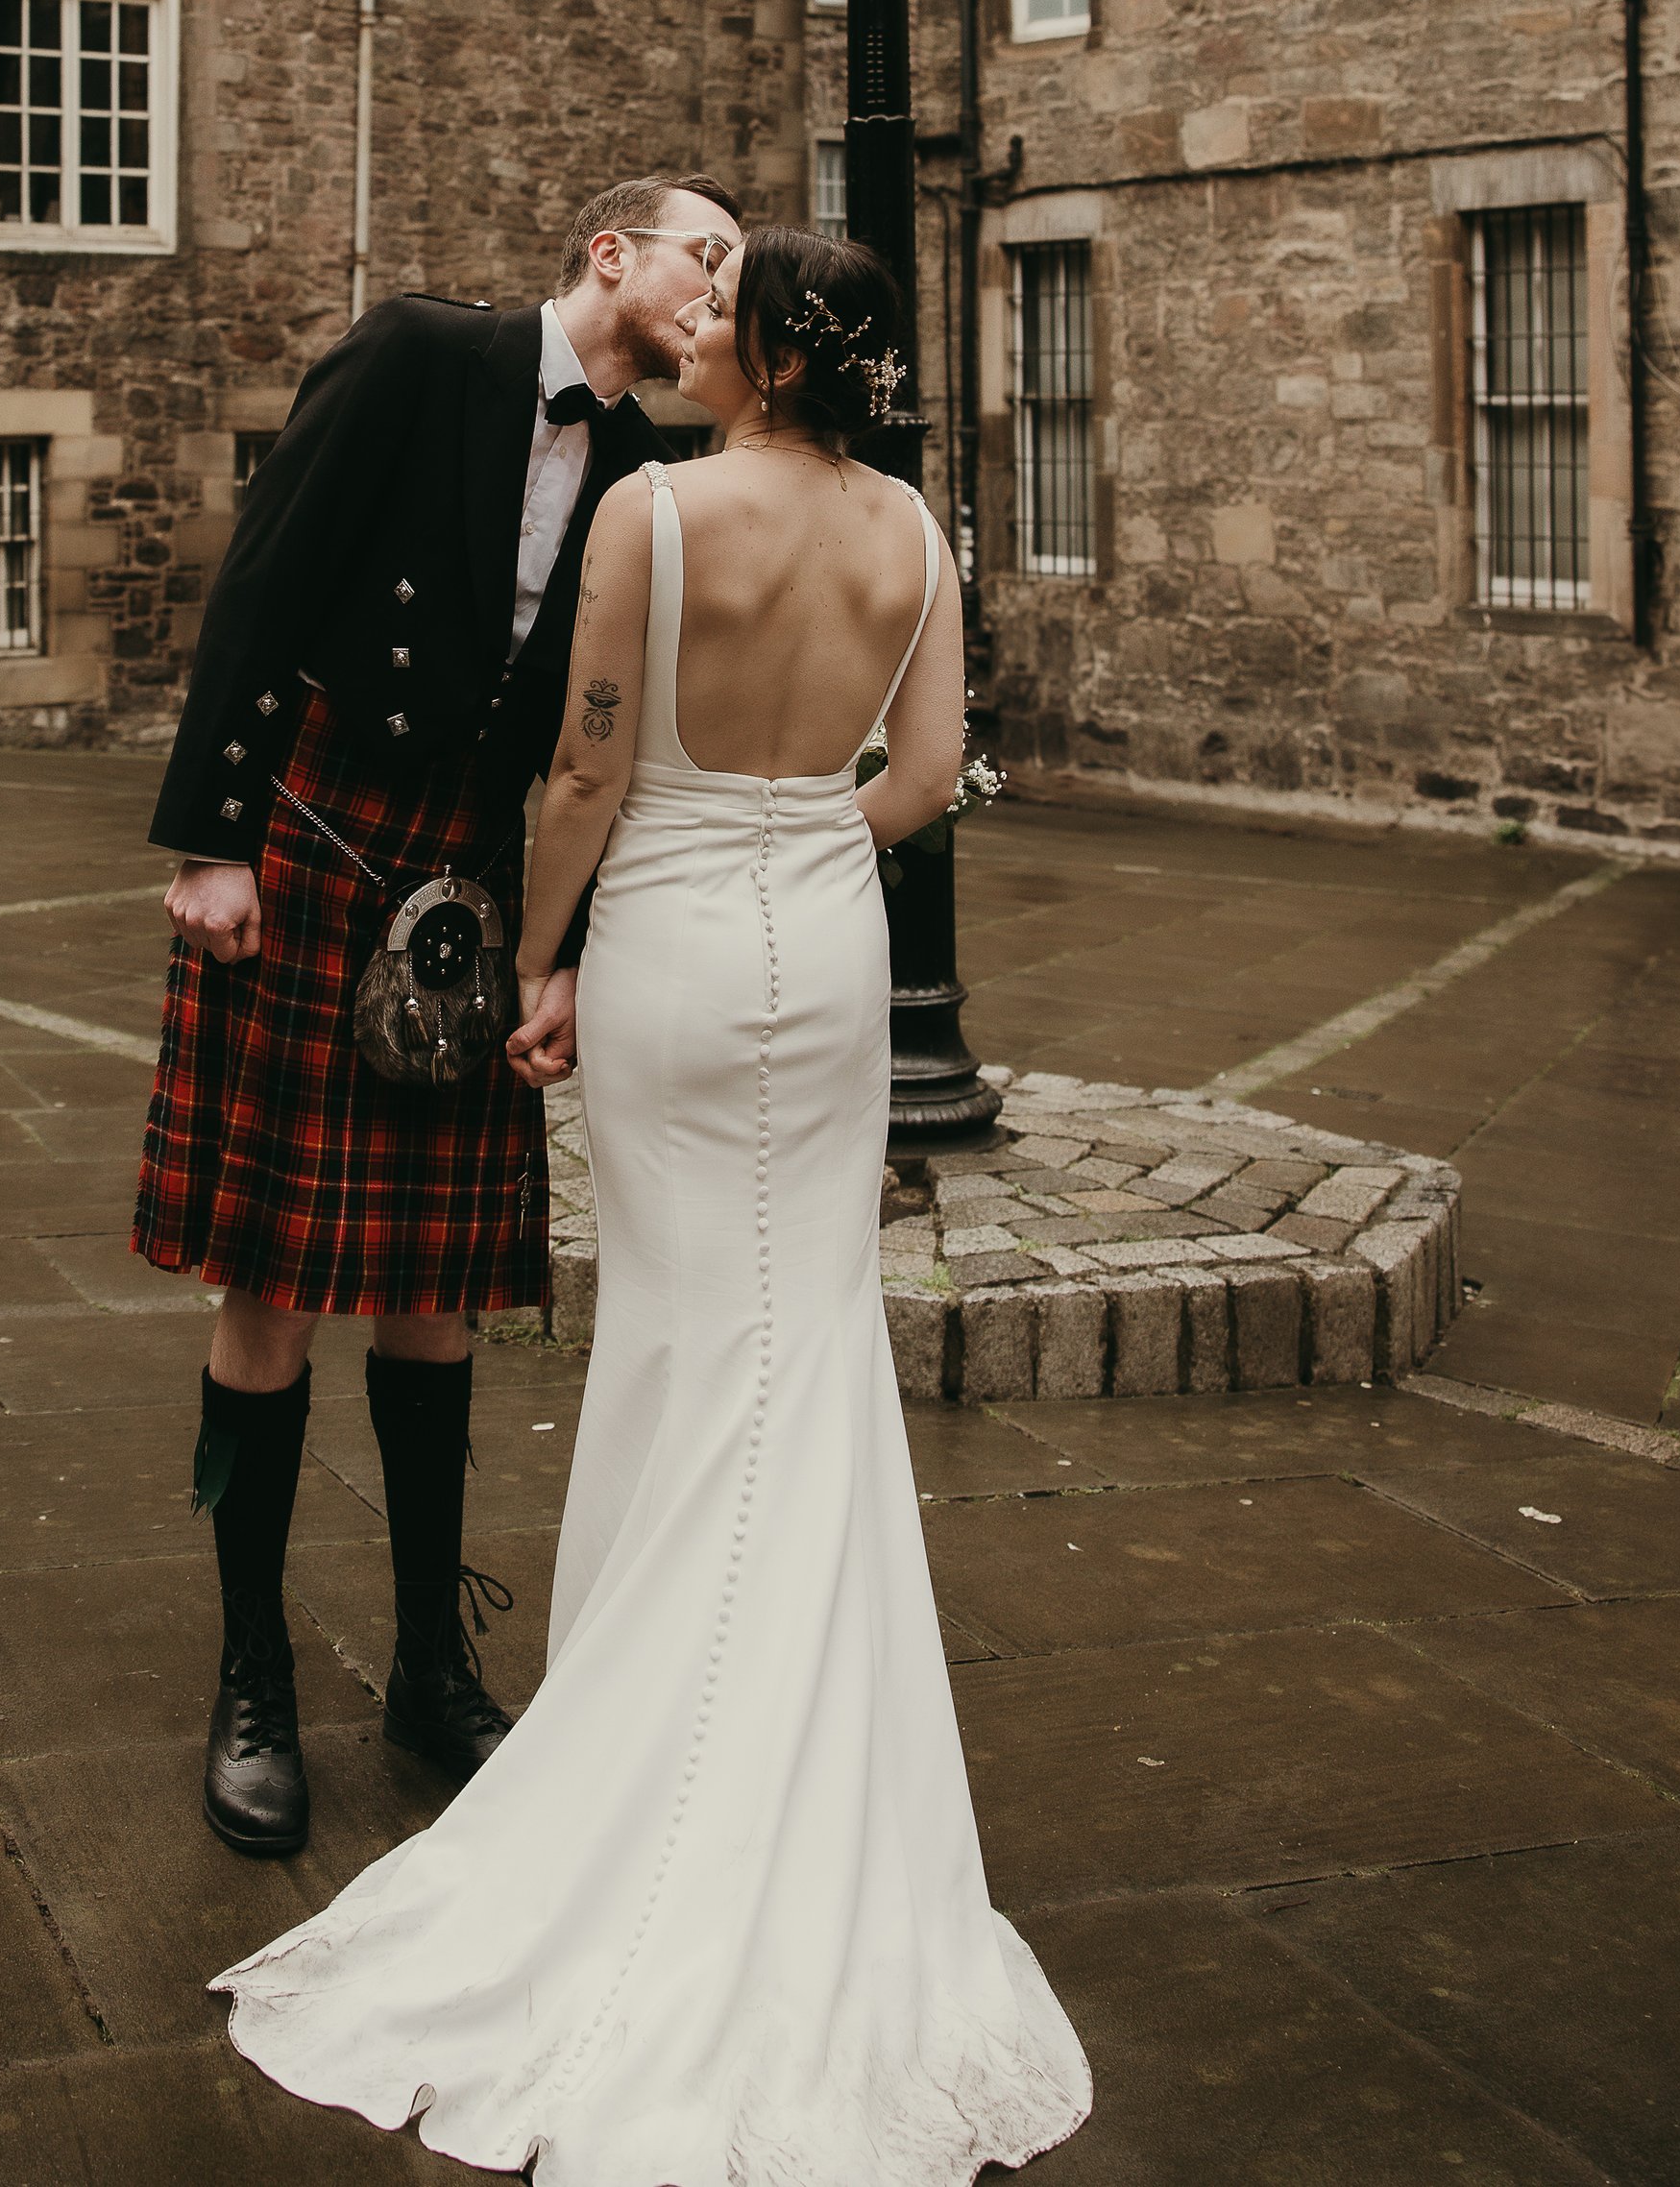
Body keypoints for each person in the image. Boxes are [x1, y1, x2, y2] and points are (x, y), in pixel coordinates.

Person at [209, 225, 1094, 2183]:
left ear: (766, 353)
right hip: (825, 939)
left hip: (677, 943)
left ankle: (638, 1776)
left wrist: (542, 961)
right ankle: (809, 1776)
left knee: (686, 1340)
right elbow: (929, 767)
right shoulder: (919, 539)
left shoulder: (655, 515)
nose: (688, 335)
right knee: (807, 1340)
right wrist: (799, 840)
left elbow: (585, 782)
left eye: (719, 315)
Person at [134, 172, 745, 1858]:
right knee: (269, 1279)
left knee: (441, 1292)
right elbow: (268, 569)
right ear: (612, 253)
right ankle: (254, 1668)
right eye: (710, 251)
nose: (723, 285)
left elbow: (599, 749)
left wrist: (566, 955)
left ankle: (423, 1659)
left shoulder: (655, 471)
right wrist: (216, 838)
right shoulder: (420, 354)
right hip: (320, 842)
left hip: (469, 894)